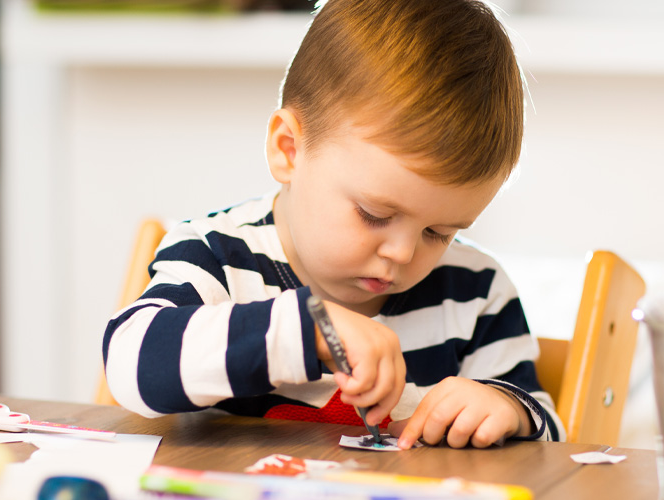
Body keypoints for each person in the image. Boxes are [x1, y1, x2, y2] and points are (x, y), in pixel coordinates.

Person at [103, 0, 564, 448]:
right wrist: (301, 330)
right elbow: (130, 366)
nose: (402, 253)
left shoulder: (476, 292)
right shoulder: (217, 257)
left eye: (439, 233)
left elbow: (546, 429)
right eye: (375, 215)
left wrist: (507, 409)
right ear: (289, 150)